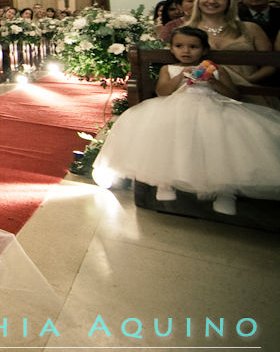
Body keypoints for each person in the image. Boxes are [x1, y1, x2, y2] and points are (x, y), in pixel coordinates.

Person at [93, 26, 280, 216]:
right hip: (174, 106)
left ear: (204, 49)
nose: (186, 51)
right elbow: (162, 92)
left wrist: (213, 81)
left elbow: (233, 93)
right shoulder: (169, 69)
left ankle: (226, 192)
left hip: (212, 107)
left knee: (223, 139)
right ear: (172, 49)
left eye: (193, 47)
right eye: (180, 46)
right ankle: (164, 182)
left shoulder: (215, 69)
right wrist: (181, 77)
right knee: (165, 136)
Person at [186, 0, 274, 91]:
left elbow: (271, 63)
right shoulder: (186, 31)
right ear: (198, 0)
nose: (212, 1)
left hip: (247, 88)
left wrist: (249, 79)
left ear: (229, 2)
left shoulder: (250, 28)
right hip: (203, 90)